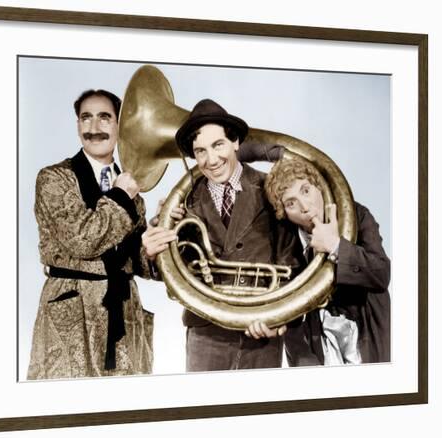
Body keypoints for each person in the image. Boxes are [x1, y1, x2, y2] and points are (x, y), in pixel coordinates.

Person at [143, 99, 298, 372]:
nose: (211, 160)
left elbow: (292, 261)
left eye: (218, 145)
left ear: (235, 142)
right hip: (206, 334)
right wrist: (156, 252)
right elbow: (172, 276)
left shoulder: (270, 187)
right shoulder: (183, 203)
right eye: (200, 151)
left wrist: (282, 317)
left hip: (260, 329)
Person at [27, 89, 154, 379]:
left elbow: (136, 262)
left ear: (121, 126)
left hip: (122, 313)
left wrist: (156, 245)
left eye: (104, 118)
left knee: (125, 413)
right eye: (86, 118)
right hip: (72, 312)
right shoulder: (53, 178)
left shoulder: (131, 187)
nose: (94, 128)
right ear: (77, 125)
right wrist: (122, 196)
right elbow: (83, 240)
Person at [245, 155, 391, 365]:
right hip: (312, 347)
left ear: (318, 186)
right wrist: (272, 320)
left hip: (363, 338)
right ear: (283, 212)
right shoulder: (283, 240)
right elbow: (283, 297)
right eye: (291, 203)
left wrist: (335, 246)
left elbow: (381, 274)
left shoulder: (357, 215)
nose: (305, 207)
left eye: (306, 191)